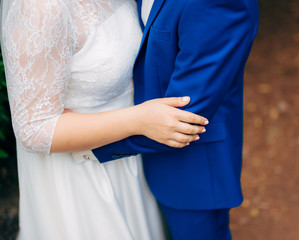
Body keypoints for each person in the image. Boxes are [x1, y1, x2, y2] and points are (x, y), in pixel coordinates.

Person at [0, 0, 209, 239]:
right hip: (82, 178)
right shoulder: (40, 8)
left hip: (132, 162)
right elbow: (33, 129)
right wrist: (138, 120)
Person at [90, 0, 260, 239]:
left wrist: (82, 138)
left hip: (191, 170)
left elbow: (183, 117)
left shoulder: (217, 4)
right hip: (141, 166)